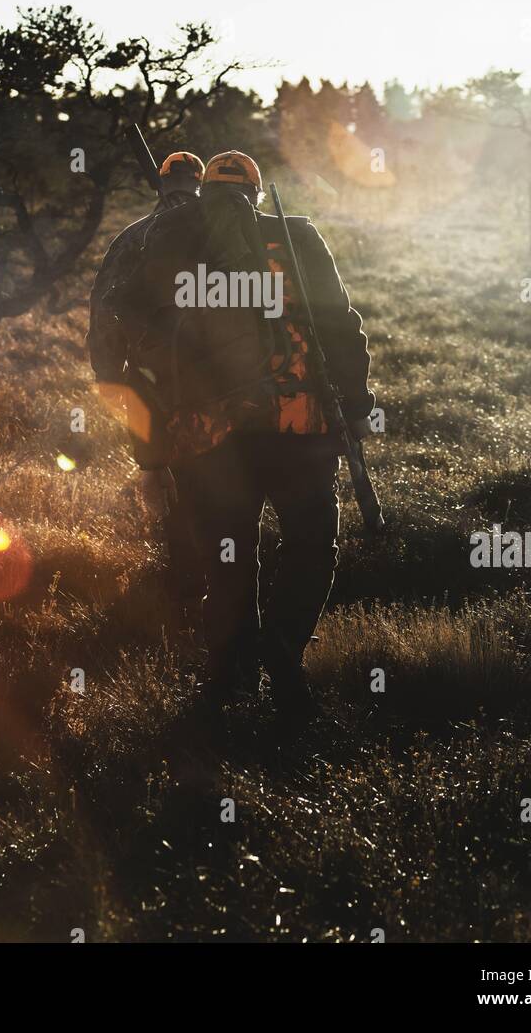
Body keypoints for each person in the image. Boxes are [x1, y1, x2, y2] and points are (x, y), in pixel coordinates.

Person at [118, 148, 376, 718]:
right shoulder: (296, 237)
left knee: (229, 556)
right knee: (310, 545)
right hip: (297, 427)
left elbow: (129, 331)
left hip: (206, 436)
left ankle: (228, 676)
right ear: (257, 195)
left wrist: (154, 437)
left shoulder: (170, 240)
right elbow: (341, 324)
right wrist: (357, 407)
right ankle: (282, 652)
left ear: (205, 193)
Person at [87, 150, 206, 618]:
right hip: (226, 383)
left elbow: (104, 315)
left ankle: (183, 594)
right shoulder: (226, 233)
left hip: (153, 385)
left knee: (166, 479)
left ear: (160, 183)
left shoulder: (133, 237)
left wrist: (112, 382)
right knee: (222, 486)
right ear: (199, 183)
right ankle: (222, 595)